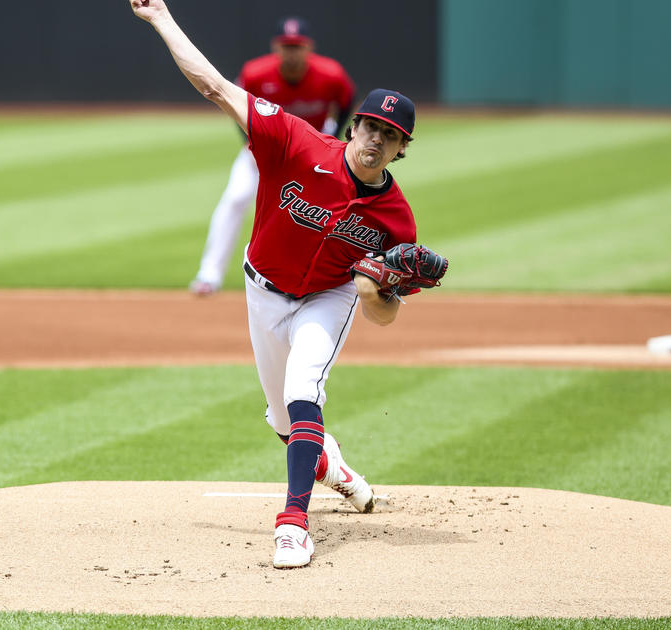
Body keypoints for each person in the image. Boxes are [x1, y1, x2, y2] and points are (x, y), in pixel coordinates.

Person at [128, 0, 446, 569]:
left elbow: (384, 315)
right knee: (282, 420)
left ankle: (294, 524)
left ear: (403, 150)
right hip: (262, 288)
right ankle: (338, 470)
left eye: (390, 135)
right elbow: (215, 88)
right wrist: (160, 19)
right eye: (371, 126)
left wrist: (377, 287)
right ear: (355, 125)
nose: (376, 139)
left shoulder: (396, 220)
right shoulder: (295, 143)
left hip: (330, 297)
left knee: (306, 390)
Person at [190, 16, 355, 296]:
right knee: (236, 198)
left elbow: (347, 99)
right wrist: (253, 142)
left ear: (308, 47)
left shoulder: (331, 75)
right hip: (262, 154)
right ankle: (209, 274)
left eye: (297, 46)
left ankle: (319, 278)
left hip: (310, 161)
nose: (292, 52)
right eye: (286, 46)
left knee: (317, 214)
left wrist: (333, 136)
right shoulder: (255, 73)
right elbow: (234, 105)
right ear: (276, 47)